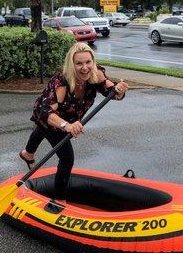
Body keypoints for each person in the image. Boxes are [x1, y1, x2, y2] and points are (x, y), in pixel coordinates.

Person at [19, 42, 128, 203]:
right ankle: (59, 200)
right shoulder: (62, 83)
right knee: (66, 156)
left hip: (70, 117)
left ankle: (27, 154)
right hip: (52, 117)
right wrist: (67, 126)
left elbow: (111, 92)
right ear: (72, 64)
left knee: (40, 130)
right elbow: (46, 113)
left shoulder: (96, 75)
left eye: (88, 62)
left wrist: (119, 91)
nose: (85, 68)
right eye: (79, 63)